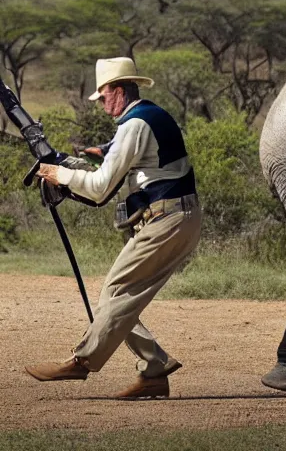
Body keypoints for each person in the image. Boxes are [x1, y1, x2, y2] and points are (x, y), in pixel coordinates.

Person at [25, 57, 201, 398]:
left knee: (116, 293)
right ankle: (154, 370)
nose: (103, 105)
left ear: (117, 92)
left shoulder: (134, 125)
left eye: (103, 97)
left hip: (167, 218)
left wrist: (58, 174)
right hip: (177, 218)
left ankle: (83, 360)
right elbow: (110, 164)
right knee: (120, 297)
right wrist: (70, 162)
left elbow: (101, 188)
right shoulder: (150, 116)